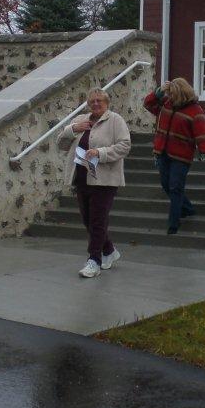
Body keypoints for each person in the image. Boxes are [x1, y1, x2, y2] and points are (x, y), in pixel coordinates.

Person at [59, 88, 131, 278]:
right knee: (87, 220)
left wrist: (101, 153)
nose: (96, 104)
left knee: (98, 220)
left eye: (99, 100)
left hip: (105, 180)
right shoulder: (81, 120)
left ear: (106, 102)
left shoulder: (115, 120)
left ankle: (94, 260)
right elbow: (61, 144)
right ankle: (109, 251)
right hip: (82, 179)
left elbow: (125, 145)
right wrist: (73, 129)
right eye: (92, 101)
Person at [144, 78, 205, 234]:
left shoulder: (196, 110)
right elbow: (148, 104)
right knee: (166, 184)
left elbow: (201, 133)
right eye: (169, 93)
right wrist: (159, 91)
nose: (170, 96)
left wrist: (204, 151)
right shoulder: (166, 104)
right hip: (162, 152)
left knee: (175, 186)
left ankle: (174, 223)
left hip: (181, 156)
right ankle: (187, 208)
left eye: (172, 93)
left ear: (181, 93)